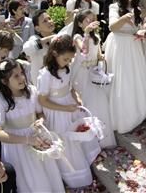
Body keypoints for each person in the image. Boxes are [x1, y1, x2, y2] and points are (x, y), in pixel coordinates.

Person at [0, 58, 64, 193]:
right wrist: (27, 140)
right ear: (4, 81)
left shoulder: (31, 91)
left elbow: (40, 113)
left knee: (46, 174)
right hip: (17, 147)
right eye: (16, 76)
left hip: (36, 139)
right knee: (30, 180)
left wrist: (40, 121)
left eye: (22, 73)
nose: (22, 78)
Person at [37, 34, 100, 188]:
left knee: (77, 138)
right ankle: (74, 176)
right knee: (66, 144)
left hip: (69, 106)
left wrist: (76, 97)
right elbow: (42, 100)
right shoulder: (46, 75)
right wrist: (65, 108)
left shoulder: (66, 69)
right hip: (56, 111)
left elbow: (70, 88)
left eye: (70, 59)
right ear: (54, 54)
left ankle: (84, 164)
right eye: (66, 59)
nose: (69, 62)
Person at [105, 0, 146, 133]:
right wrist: (124, 17)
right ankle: (121, 117)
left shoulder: (137, 9)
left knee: (133, 79)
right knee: (120, 80)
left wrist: (142, 32)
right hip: (119, 46)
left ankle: (135, 111)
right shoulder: (114, 7)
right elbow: (112, 27)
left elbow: (135, 29)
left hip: (133, 46)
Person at [71, 9, 116, 148]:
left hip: (94, 71)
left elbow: (97, 52)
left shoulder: (95, 35)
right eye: (87, 20)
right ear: (79, 23)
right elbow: (83, 51)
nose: (90, 23)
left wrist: (100, 56)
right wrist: (86, 33)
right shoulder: (78, 36)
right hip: (82, 74)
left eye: (92, 20)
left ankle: (102, 138)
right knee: (87, 103)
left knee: (100, 102)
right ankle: (87, 141)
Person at [23, 10, 56, 85]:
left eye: (49, 18)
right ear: (37, 28)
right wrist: (48, 39)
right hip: (40, 84)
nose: (49, 22)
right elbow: (26, 49)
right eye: (44, 21)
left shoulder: (57, 37)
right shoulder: (34, 38)